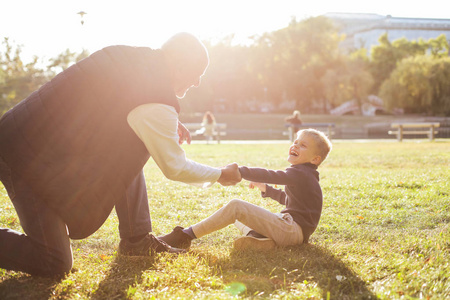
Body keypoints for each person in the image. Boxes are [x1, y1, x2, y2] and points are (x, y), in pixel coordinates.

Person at [0, 32, 241, 277]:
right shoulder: (154, 98)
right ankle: (136, 240)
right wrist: (221, 174)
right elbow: (174, 167)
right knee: (54, 261)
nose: (198, 82)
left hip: (33, 141)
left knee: (130, 142)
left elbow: (116, 110)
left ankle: (136, 240)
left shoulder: (135, 59)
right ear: (179, 65)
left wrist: (165, 122)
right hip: (21, 154)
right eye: (197, 72)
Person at [159, 129, 332, 251]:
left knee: (235, 207)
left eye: (303, 145)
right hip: (291, 231)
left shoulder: (302, 173)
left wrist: (241, 172)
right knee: (231, 214)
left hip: (292, 232)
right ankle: (261, 240)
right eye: (295, 142)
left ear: (315, 159)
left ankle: (185, 236)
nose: (295, 146)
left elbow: (272, 175)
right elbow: (288, 200)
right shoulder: (304, 175)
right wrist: (266, 189)